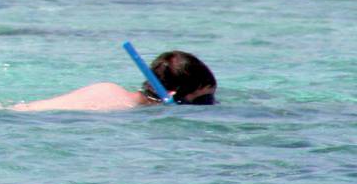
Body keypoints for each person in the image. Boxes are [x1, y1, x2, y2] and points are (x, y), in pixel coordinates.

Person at [11, 49, 217, 111]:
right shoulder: (124, 109)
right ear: (172, 95)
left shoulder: (107, 88)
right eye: (204, 101)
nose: (212, 104)